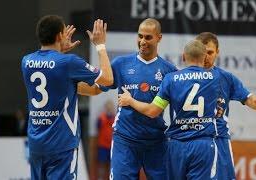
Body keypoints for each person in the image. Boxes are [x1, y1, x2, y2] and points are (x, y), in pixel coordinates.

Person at [78, 18, 177, 180]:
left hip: (156, 141)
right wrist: (68, 86)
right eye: (140, 36)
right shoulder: (121, 64)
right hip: (125, 139)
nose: (142, 41)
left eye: (148, 37)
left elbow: (180, 102)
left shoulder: (169, 71)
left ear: (159, 38)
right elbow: (95, 89)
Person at [21, 15, 113, 180]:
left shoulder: (26, 62)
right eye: (64, 33)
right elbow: (107, 79)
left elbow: (55, 75)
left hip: (36, 144)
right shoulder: (68, 63)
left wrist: (58, 51)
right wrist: (100, 45)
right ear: (59, 36)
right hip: (61, 145)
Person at [119, 39, 223, 179]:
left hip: (177, 145)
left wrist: (130, 100)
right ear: (205, 57)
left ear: (183, 57)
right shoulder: (216, 78)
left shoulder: (171, 79)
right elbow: (219, 107)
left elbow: (152, 111)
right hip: (203, 144)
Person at [196, 32, 256, 179]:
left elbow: (248, 99)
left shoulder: (226, 78)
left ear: (217, 52)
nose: (206, 57)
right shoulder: (181, 77)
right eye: (202, 52)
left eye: (210, 52)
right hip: (192, 139)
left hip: (219, 140)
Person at [96, 100, 115, 180]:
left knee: (112, 165)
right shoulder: (101, 118)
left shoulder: (116, 118)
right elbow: (98, 127)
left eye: (110, 106)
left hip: (112, 146)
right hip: (102, 146)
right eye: (108, 106)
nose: (109, 108)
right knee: (102, 164)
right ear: (106, 107)